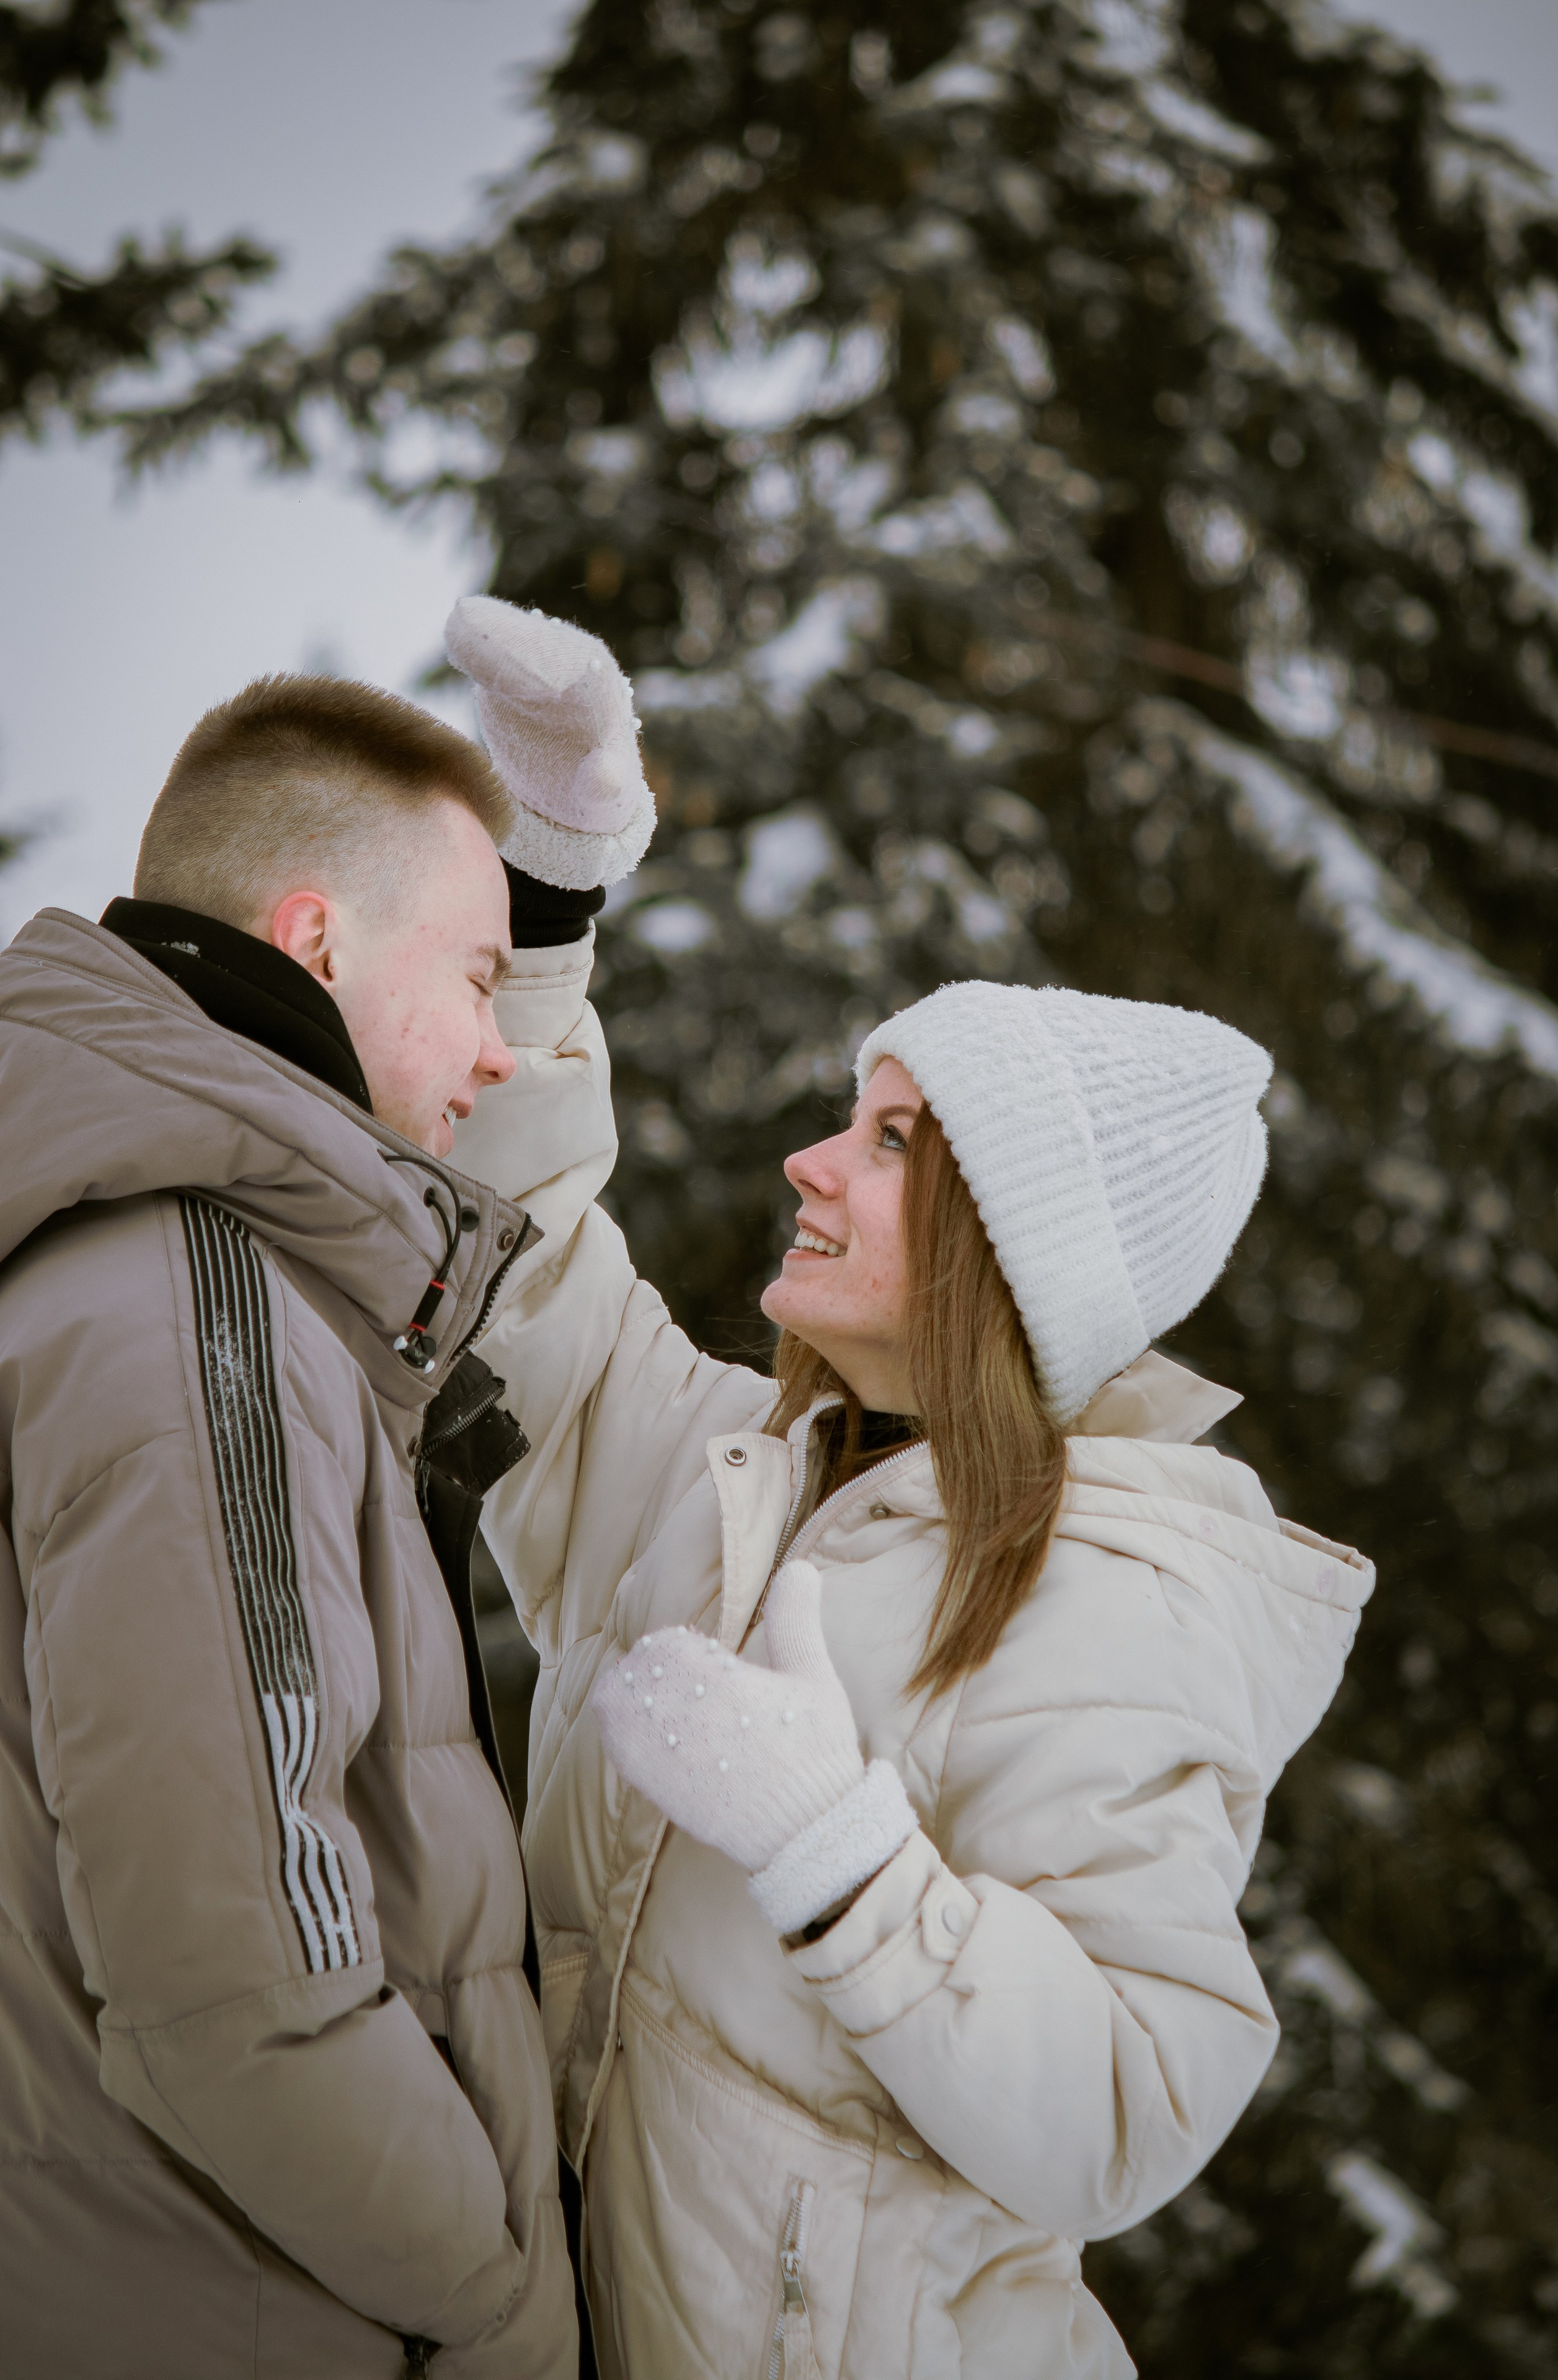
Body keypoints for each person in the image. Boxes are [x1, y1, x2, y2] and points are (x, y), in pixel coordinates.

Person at [438, 593, 1378, 2380]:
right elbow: (524, 1246)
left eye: (888, 1143)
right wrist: (547, 898)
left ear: (1009, 1252)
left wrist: (839, 1852)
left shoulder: (1114, 1590)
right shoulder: (723, 1471)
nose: (810, 1160)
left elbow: (1129, 2101)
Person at [0, 672, 613, 2376]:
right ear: (317, 941)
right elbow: (241, 1997)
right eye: (483, 980)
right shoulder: (205, 1306)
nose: (501, 1050)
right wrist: (506, 2307)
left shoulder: (96, 1263)